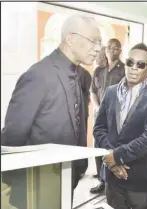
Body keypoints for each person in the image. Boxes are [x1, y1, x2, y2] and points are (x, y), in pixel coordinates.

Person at [1, 15, 101, 208]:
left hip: (67, 176)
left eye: (100, 42)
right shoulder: (38, 75)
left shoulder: (83, 76)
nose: (98, 48)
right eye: (93, 41)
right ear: (70, 39)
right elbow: (13, 136)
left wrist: (79, 167)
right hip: (35, 181)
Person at [94, 43, 147, 209]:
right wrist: (111, 160)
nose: (134, 68)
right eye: (130, 62)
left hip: (140, 178)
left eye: (140, 64)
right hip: (112, 178)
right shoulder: (111, 92)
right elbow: (99, 128)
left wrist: (117, 156)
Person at [90, 39, 125, 194]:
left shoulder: (124, 70)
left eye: (116, 48)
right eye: (110, 47)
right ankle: (101, 181)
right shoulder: (98, 70)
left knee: (112, 148)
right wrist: (98, 107)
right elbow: (92, 92)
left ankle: (113, 181)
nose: (112, 50)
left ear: (120, 50)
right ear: (105, 50)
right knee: (97, 148)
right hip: (99, 116)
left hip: (116, 117)